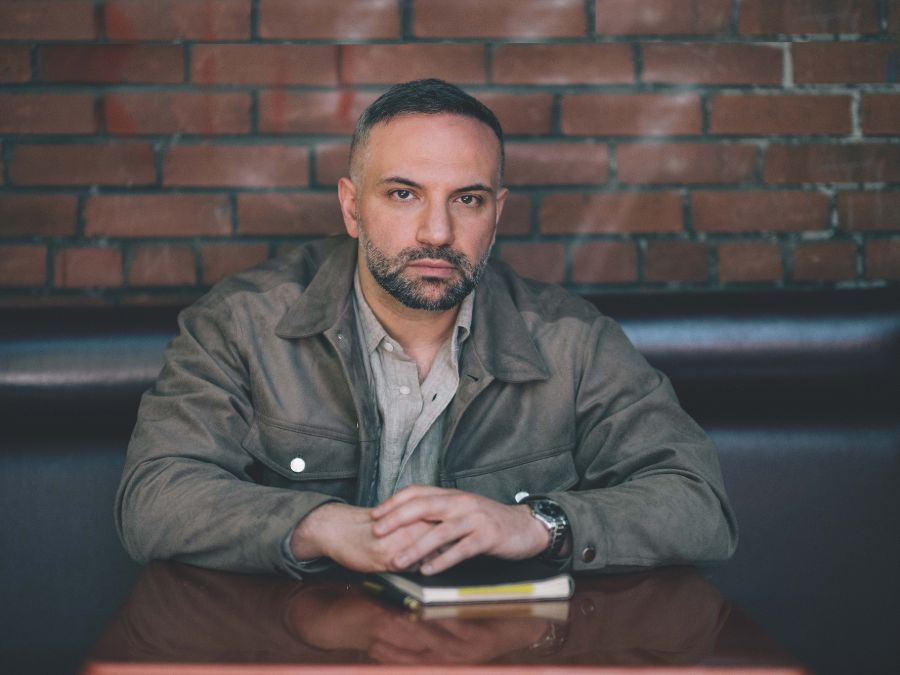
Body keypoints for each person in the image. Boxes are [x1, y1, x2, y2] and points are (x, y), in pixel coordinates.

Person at [116, 79, 737, 578]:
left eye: (467, 199)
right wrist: (325, 526)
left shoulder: (572, 340)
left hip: (506, 652)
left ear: (498, 213)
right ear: (352, 207)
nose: (437, 232)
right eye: (404, 194)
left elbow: (699, 505)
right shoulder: (240, 323)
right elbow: (154, 497)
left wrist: (535, 525)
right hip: (297, 647)